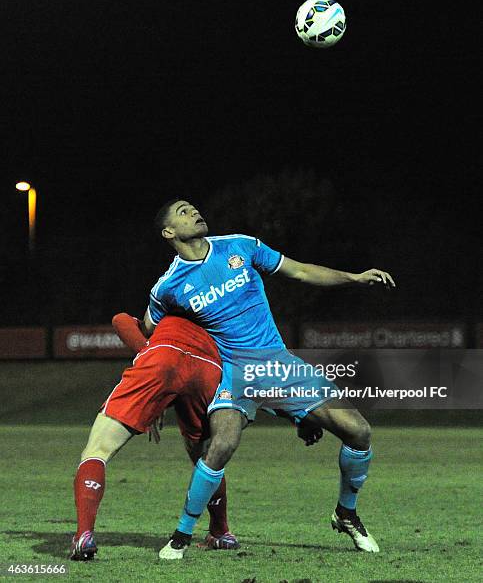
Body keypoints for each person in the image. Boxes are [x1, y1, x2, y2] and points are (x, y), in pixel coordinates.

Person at [141, 199, 396, 559]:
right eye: (183, 211)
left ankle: (346, 513)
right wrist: (156, 393)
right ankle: (182, 535)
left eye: (194, 208)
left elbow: (303, 272)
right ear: (169, 232)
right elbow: (152, 335)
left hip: (279, 366)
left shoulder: (240, 246)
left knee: (359, 431)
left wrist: (353, 277)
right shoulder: (167, 288)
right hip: (234, 371)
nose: (195, 212)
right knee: (223, 443)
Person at [70, 312, 240, 560]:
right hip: (208, 369)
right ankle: (221, 532)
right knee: (207, 458)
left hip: (162, 356)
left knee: (98, 449)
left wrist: (150, 351)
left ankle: (84, 535)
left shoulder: (165, 306)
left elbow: (119, 320)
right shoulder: (219, 315)